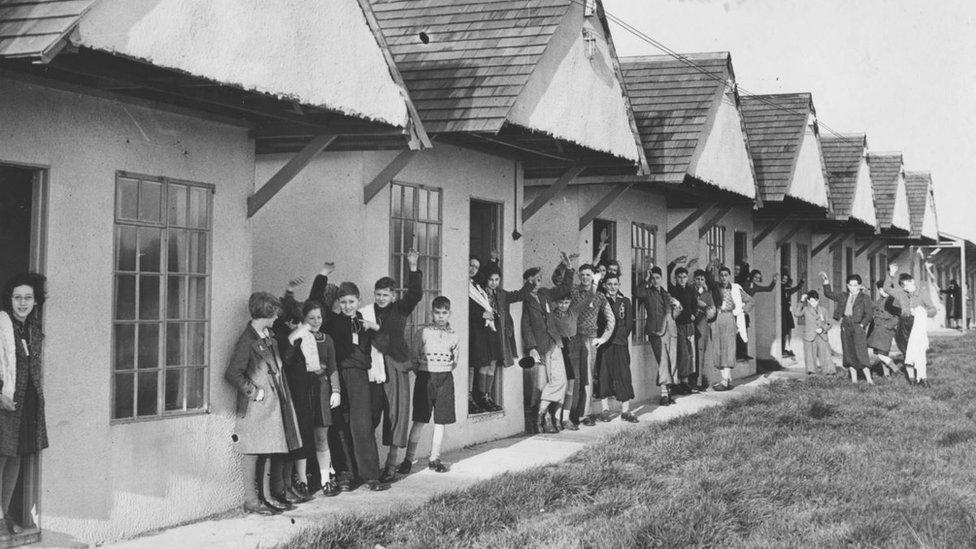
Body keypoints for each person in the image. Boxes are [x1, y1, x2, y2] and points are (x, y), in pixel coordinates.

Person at [308, 266, 389, 492]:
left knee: (362, 425)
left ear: (358, 300)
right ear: (338, 303)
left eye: (351, 302)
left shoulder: (364, 322)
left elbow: (385, 345)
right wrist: (322, 275)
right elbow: (315, 300)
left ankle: (371, 476)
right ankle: (345, 475)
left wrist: (375, 328)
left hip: (359, 378)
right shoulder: (332, 321)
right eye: (343, 302)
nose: (347, 306)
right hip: (338, 377)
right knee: (339, 426)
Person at [225, 292, 303, 515]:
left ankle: (266, 497)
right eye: (274, 314)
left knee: (269, 448)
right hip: (256, 406)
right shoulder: (247, 340)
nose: (277, 318)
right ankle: (251, 500)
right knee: (251, 451)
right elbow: (232, 373)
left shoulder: (267, 336)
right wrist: (254, 392)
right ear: (265, 314)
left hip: (272, 404)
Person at [362, 250, 422, 484]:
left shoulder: (400, 309)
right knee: (372, 415)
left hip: (395, 364)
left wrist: (413, 266)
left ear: (394, 296)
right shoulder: (367, 311)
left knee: (396, 415)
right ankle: (367, 466)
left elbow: (415, 294)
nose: (380, 298)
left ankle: (391, 465)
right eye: (378, 294)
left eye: (385, 295)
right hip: (373, 367)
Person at [0, 273, 48, 534]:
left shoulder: (31, 329)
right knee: (0, 458)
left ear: (35, 301)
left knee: (15, 456)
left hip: (24, 404)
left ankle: (3, 514)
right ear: (10, 299)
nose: (22, 302)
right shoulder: (1, 324)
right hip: (3, 402)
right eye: (17, 297)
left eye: (28, 297)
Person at [400, 296, 460, 474]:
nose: (441, 316)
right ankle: (408, 459)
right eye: (437, 313)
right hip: (426, 378)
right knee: (419, 419)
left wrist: (443, 368)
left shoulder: (454, 335)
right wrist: (424, 372)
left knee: (441, 420)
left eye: (444, 313)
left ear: (449, 314)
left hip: (445, 378)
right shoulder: (423, 332)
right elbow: (413, 356)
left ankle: (435, 457)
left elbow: (455, 360)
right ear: (432, 313)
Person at [564, 262, 614, 428]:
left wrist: (603, 338)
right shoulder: (572, 292)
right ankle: (571, 414)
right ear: (579, 276)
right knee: (575, 377)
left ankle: (585, 414)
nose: (585, 277)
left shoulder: (600, 296)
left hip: (590, 339)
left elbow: (610, 319)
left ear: (593, 277)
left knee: (587, 377)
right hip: (573, 338)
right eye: (583, 274)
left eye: (588, 275)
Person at [521, 265, 569, 433]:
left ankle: (541, 413)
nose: (537, 282)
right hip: (539, 347)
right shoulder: (525, 300)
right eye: (534, 280)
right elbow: (526, 326)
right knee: (541, 384)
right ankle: (547, 418)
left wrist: (568, 268)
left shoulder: (546, 294)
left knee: (560, 380)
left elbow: (565, 288)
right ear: (528, 281)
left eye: (539, 279)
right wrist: (532, 347)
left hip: (554, 343)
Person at [884, 263, 938, 386]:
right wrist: (891, 274)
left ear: (913, 281)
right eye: (903, 286)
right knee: (906, 352)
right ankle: (912, 380)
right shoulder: (901, 293)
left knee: (918, 352)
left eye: (908, 284)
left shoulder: (922, 293)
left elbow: (933, 310)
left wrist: (921, 311)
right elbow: (886, 288)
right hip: (904, 324)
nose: (906, 287)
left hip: (917, 324)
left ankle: (922, 379)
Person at [593, 273, 637, 422]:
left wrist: (622, 336)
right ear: (604, 285)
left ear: (619, 285)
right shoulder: (600, 300)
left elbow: (629, 323)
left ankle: (625, 410)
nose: (613, 287)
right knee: (604, 374)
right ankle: (605, 410)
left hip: (620, 342)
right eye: (609, 284)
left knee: (623, 374)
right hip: (605, 344)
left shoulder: (625, 301)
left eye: (615, 284)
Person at [636, 266, 681, 406]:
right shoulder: (647, 293)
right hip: (656, 332)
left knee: (672, 362)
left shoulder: (666, 294)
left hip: (671, 332)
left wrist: (678, 307)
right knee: (663, 362)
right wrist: (646, 278)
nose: (655, 280)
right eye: (653, 278)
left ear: (661, 279)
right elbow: (638, 293)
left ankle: (668, 393)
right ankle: (663, 394)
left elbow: (673, 314)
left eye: (657, 278)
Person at [821, 273, 874, 384]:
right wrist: (826, 281)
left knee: (861, 352)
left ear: (860, 286)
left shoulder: (865, 298)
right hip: (845, 325)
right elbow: (828, 294)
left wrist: (862, 325)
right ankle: (854, 381)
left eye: (855, 285)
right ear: (847, 286)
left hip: (858, 326)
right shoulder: (843, 296)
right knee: (848, 352)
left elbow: (869, 314)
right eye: (850, 285)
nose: (853, 288)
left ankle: (869, 380)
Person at [711, 263, 750, 391]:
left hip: (729, 317)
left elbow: (750, 301)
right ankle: (726, 379)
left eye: (726, 275)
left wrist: (740, 311)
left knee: (728, 348)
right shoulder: (715, 287)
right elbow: (708, 277)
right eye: (721, 275)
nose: (723, 278)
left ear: (729, 276)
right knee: (719, 348)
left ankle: (724, 381)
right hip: (717, 318)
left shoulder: (735, 288)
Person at [667, 257, 700, 395]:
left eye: (684, 277)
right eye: (679, 277)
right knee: (683, 354)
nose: (682, 279)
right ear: (676, 278)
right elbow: (668, 273)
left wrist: (694, 314)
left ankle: (686, 382)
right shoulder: (673, 290)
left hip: (689, 325)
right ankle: (679, 382)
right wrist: (674, 262)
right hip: (678, 326)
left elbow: (695, 305)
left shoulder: (691, 289)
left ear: (687, 278)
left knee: (690, 354)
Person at [792, 291, 833, 375]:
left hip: (822, 335)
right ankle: (811, 371)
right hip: (809, 336)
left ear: (818, 300)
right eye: (810, 301)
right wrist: (801, 301)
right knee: (810, 354)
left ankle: (829, 371)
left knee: (825, 352)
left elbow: (829, 323)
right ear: (808, 301)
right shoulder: (806, 309)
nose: (812, 303)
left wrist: (822, 329)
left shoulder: (823, 310)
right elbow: (796, 313)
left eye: (814, 301)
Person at [738, 269, 776, 360]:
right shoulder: (745, 283)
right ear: (751, 276)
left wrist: (774, 281)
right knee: (740, 330)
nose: (756, 279)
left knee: (745, 330)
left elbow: (768, 289)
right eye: (755, 277)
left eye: (758, 278)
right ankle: (739, 353)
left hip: (745, 310)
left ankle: (744, 353)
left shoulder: (754, 286)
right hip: (739, 308)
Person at [867, 281, 901, 377]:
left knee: (882, 354)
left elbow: (897, 316)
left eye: (885, 289)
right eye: (881, 290)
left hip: (886, 330)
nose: (883, 292)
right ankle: (887, 375)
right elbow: (874, 308)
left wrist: (888, 326)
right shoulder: (879, 301)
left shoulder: (894, 301)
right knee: (881, 353)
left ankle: (895, 369)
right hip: (877, 330)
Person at [692, 268, 718, 390]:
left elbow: (712, 311)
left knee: (701, 350)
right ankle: (689, 381)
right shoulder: (690, 291)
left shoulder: (707, 294)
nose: (699, 281)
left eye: (702, 279)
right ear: (694, 279)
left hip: (702, 323)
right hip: (690, 322)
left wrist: (705, 305)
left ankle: (699, 381)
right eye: (697, 279)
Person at [780, 272, 805, 358]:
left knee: (788, 330)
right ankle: (782, 349)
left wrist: (801, 282)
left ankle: (787, 348)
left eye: (785, 279)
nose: (784, 281)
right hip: (782, 312)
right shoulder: (780, 288)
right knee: (784, 331)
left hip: (787, 311)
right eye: (783, 279)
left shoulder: (787, 289)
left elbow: (796, 288)